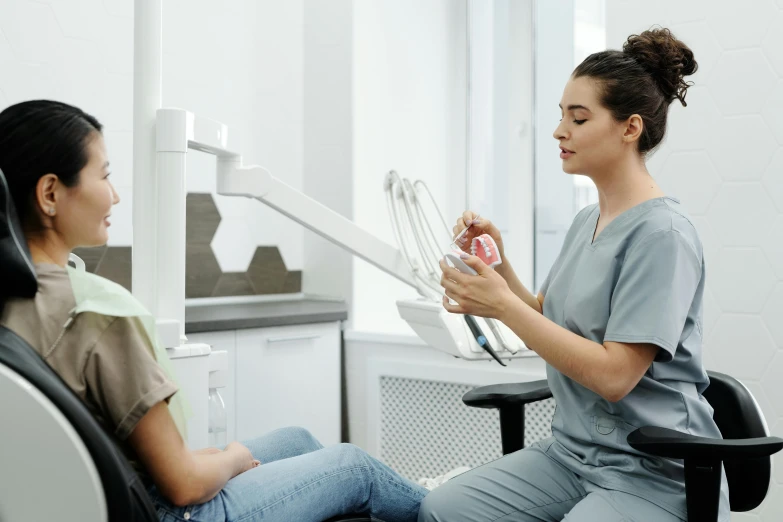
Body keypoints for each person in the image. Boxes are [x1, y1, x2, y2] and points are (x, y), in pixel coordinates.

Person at [0, 99, 426, 522]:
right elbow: (184, 484)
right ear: (50, 193)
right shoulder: (98, 314)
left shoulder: (13, 294)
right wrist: (235, 458)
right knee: (356, 468)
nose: (113, 194)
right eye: (105, 175)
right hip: (170, 511)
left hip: (118, 489)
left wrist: (215, 461)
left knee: (296, 440)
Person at [422, 28, 729, 522]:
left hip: (655, 469)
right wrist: (499, 265)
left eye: (578, 117)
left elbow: (614, 376)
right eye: (561, 115)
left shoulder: (662, 234)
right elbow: (549, 317)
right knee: (443, 510)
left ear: (630, 129)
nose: (559, 131)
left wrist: (499, 303)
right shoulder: (589, 219)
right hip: (571, 455)